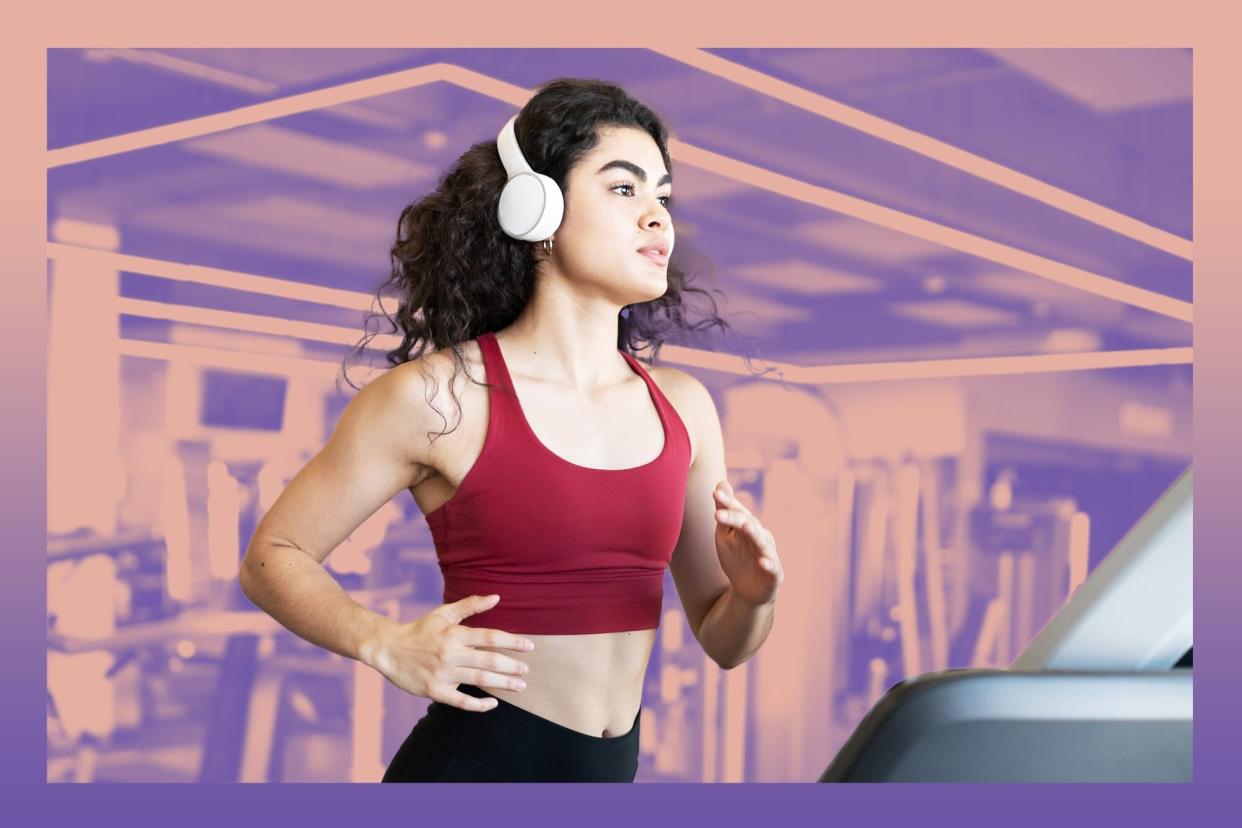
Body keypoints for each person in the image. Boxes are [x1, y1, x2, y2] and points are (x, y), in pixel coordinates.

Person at [238, 77, 784, 783]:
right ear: (539, 210)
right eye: (625, 189)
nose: (658, 217)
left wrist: (752, 597)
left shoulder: (685, 407)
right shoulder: (439, 397)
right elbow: (270, 556)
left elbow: (727, 643)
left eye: (664, 196)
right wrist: (382, 642)